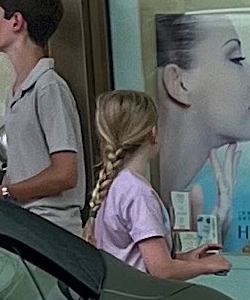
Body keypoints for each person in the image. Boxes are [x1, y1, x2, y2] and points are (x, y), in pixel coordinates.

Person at [0, 0, 86, 233]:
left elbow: (65, 174)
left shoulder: (48, 87)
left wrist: (3, 192)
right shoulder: (17, 90)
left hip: (52, 227)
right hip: (27, 224)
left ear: (16, 21)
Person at [89, 90, 229, 279]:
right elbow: (162, 271)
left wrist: (187, 259)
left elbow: (138, 259)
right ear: (152, 133)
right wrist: (207, 266)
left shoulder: (115, 184)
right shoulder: (138, 193)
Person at [152, 12, 250, 246]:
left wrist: (218, 226)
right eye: (236, 59)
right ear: (179, 83)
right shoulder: (137, 195)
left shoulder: (192, 199)